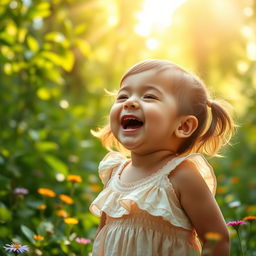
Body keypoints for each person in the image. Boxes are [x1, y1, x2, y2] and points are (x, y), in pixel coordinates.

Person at [89, 59, 234, 256]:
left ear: (183, 126)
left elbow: (216, 238)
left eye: (149, 97)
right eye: (122, 96)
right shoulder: (115, 172)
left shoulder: (180, 176)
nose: (130, 102)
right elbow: (103, 235)